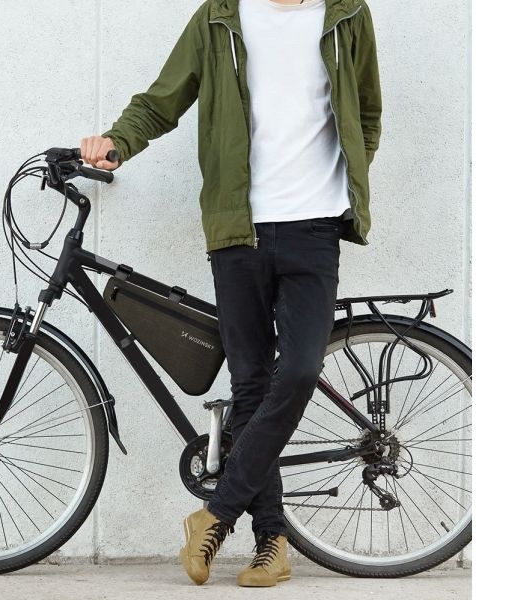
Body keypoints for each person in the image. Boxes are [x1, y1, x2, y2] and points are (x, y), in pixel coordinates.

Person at [80, 0, 381, 588]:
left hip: (315, 228)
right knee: (251, 386)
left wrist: (345, 180)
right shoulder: (219, 16)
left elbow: (367, 112)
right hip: (237, 228)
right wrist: (117, 141)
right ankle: (272, 543)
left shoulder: (347, 13)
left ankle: (216, 513)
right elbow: (162, 100)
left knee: (299, 370)